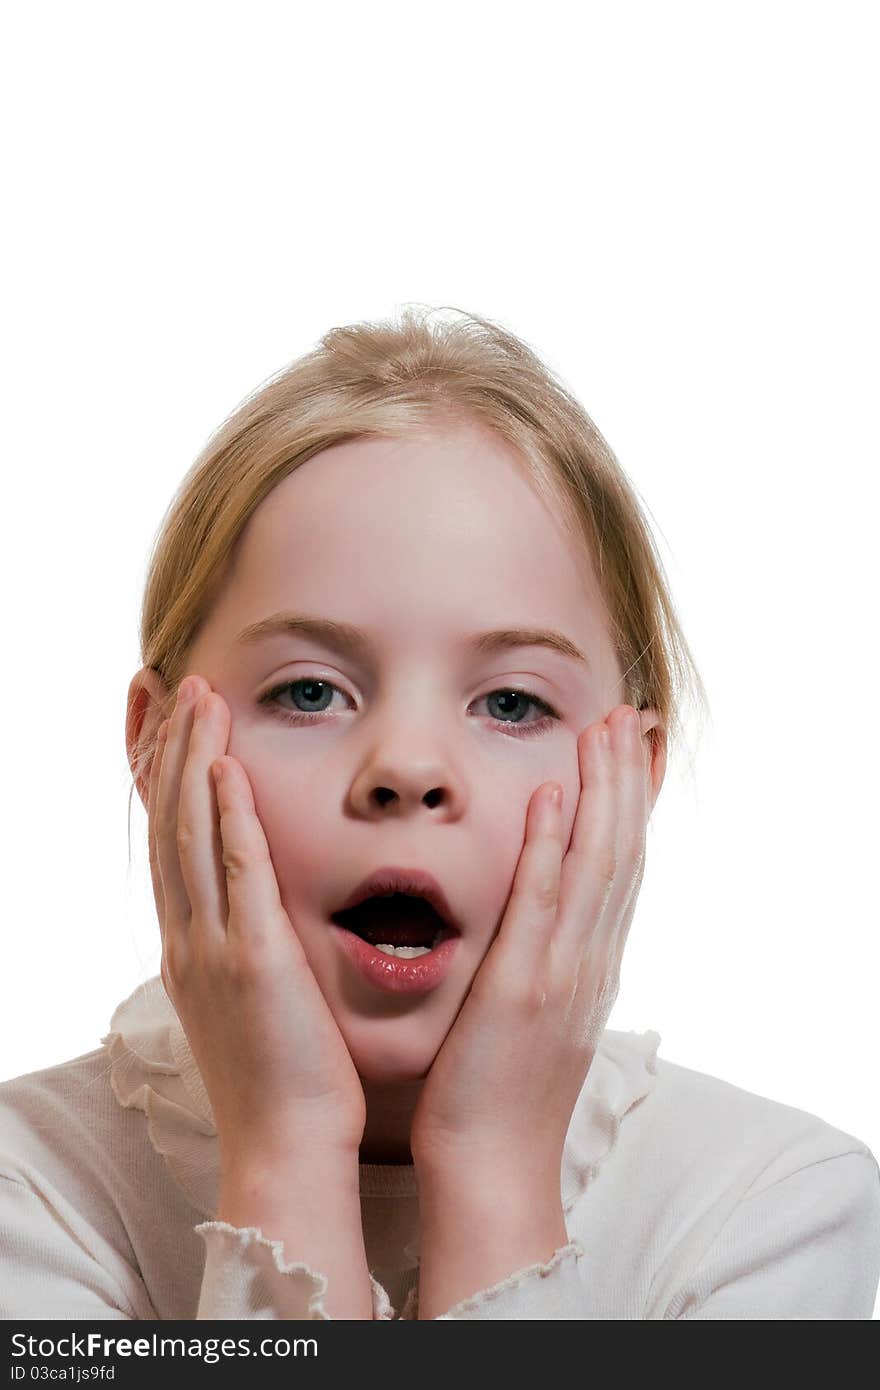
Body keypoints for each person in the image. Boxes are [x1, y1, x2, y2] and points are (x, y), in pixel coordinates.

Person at [1, 307, 878, 1321]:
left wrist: (495, 1173)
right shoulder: (33, 1196)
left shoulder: (768, 1210)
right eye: (309, 690)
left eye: (511, 702)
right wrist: (284, 1151)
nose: (407, 770)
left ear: (629, 781)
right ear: (156, 749)